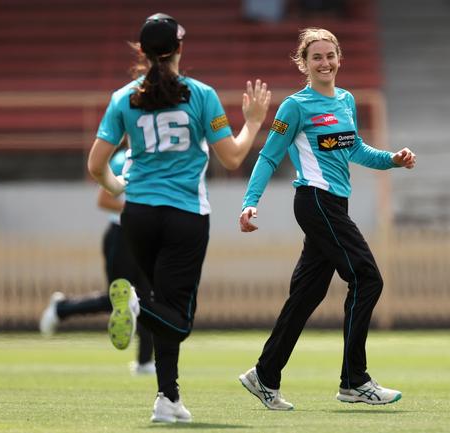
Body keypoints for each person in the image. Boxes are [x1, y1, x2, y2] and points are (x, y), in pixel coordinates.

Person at [87, 13, 271, 424]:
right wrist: (255, 122)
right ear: (180, 49)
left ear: (142, 52)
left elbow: (96, 164)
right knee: (180, 318)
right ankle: (133, 306)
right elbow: (233, 156)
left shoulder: (124, 97)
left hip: (137, 215)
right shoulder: (201, 94)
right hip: (185, 214)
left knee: (162, 304)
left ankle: (167, 400)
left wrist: (117, 186)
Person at [237, 28, 415, 411]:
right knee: (367, 278)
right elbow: (269, 156)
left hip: (335, 206)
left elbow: (357, 151)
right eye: (316, 57)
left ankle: (263, 375)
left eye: (330, 56)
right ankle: (355, 381)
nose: (325, 63)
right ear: (304, 63)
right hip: (316, 202)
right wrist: (250, 202)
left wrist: (392, 160)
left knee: (307, 294)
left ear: (339, 58)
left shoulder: (346, 101)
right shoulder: (294, 107)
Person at [39, 143, 156, 376]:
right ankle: (62, 308)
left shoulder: (153, 160)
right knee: (118, 299)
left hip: (144, 238)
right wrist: (137, 212)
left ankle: (144, 362)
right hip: (121, 238)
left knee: (147, 299)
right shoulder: (123, 160)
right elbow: (104, 200)